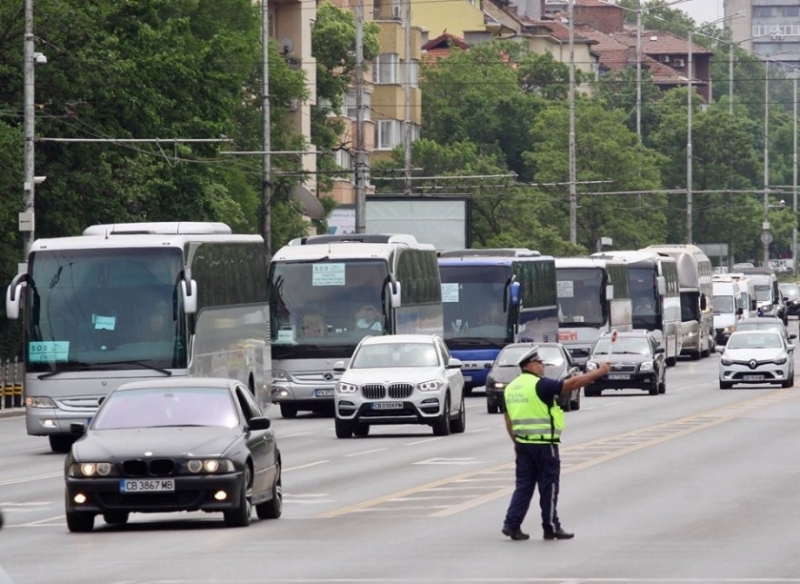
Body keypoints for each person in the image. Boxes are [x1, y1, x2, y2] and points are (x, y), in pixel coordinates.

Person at [501, 344, 611, 541]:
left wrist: (516, 443)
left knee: (523, 486)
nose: (543, 367)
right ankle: (551, 526)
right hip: (544, 445)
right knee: (549, 486)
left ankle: (512, 524)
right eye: (540, 363)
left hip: (523, 444)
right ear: (531, 365)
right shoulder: (539, 384)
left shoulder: (511, 388)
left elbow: (508, 420)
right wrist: (598, 372)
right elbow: (571, 384)